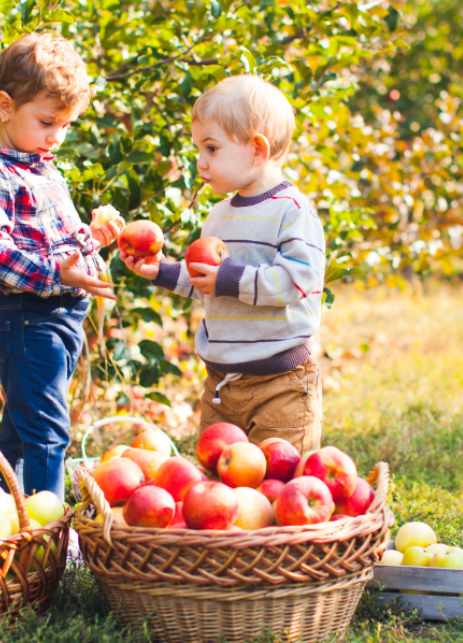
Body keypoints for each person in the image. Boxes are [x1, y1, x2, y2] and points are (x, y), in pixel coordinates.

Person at [121, 75, 325, 454]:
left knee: (277, 486)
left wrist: (228, 279)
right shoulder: (218, 215)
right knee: (215, 486)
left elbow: (299, 281)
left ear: (257, 150)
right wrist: (162, 270)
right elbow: (211, 287)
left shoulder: (292, 211)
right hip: (222, 384)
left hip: (280, 382)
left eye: (211, 148)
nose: (200, 162)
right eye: (199, 148)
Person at [0, 32, 122, 499]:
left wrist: (95, 239)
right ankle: (47, 529)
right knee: (49, 429)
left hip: (63, 320)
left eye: (66, 126)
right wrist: (56, 275)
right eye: (48, 121)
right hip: (29, 320)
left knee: (21, 425)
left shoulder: (43, 168)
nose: (57, 136)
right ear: (5, 107)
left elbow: (60, 249)